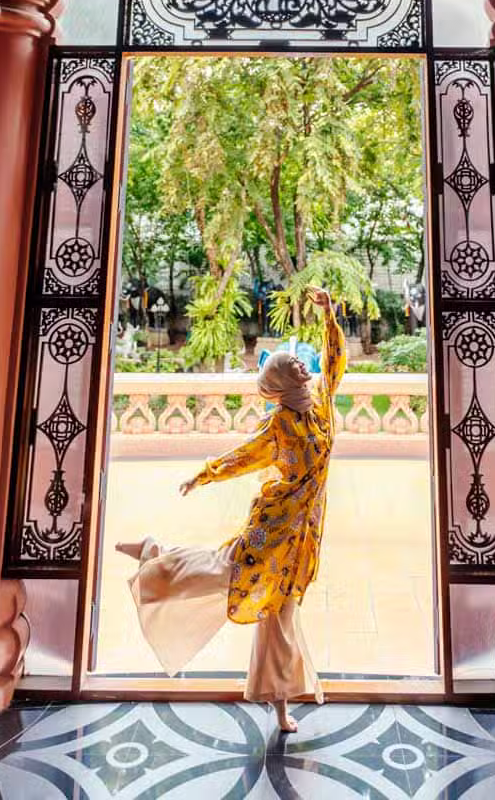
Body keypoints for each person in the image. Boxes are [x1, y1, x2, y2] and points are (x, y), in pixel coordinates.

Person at [117, 287, 345, 732]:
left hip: (304, 536)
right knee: (225, 575)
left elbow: (334, 363)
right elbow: (241, 456)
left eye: (293, 361)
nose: (297, 363)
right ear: (278, 384)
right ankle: (156, 554)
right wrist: (203, 474)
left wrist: (329, 315)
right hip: (272, 528)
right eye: (286, 364)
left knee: (278, 614)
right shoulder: (278, 424)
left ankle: (279, 702)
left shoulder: (322, 408)